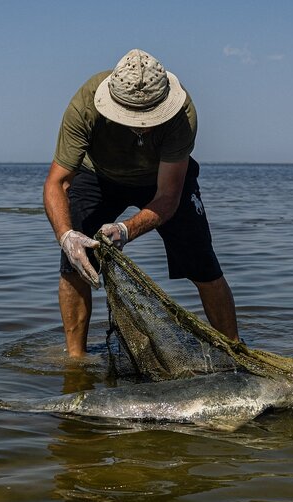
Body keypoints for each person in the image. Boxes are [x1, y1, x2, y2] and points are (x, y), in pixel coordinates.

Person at [43, 48, 240, 357]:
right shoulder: (85, 103)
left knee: (204, 265)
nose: (140, 124)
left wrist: (126, 229)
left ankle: (235, 350)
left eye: (148, 117)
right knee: (74, 263)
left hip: (161, 181)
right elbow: (57, 182)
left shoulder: (183, 115)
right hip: (100, 176)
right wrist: (66, 236)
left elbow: (168, 197)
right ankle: (75, 359)